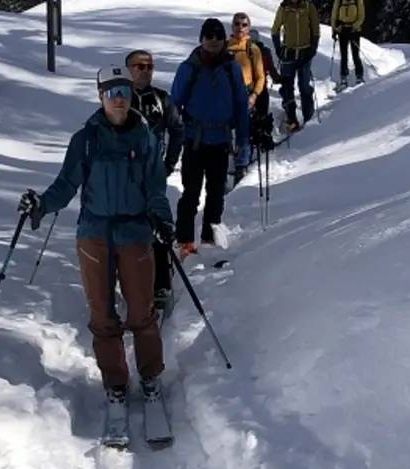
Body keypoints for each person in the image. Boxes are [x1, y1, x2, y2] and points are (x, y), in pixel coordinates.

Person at [18, 65, 176, 414]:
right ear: (100, 95)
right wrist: (40, 205)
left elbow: (155, 189)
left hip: (135, 232)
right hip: (94, 236)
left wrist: (162, 219)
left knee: (142, 311)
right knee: (102, 314)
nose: (119, 99)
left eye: (123, 92)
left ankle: (150, 376)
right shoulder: (85, 140)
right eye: (111, 92)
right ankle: (115, 383)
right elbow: (65, 185)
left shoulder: (146, 139)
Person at [168, 17, 251, 258]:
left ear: (224, 39)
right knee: (191, 192)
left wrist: (243, 140)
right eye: (208, 36)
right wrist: (173, 136)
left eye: (217, 36)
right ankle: (184, 240)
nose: (213, 41)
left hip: (221, 140)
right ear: (201, 39)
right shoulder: (189, 68)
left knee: (216, 192)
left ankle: (209, 236)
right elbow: (174, 104)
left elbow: (240, 105)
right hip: (194, 139)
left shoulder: (231, 68)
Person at [126, 49, 184, 312]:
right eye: (139, 66)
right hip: (123, 176)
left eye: (149, 66)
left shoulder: (161, 98)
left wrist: (170, 162)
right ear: (129, 69)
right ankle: (128, 282)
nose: (144, 70)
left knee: (159, 224)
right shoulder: (120, 96)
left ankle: (161, 284)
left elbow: (178, 128)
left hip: (153, 174)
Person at [270, 0, 320, 132]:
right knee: (287, 87)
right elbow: (275, 29)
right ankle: (292, 119)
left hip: (305, 54)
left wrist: (313, 48)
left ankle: (308, 118)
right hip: (289, 53)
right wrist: (278, 49)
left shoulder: (309, 7)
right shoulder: (284, 8)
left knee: (304, 86)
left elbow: (315, 30)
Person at [248, 28, 281, 151]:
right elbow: (272, 71)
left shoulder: (242, 52)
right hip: (261, 89)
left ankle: (249, 144)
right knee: (263, 116)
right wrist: (280, 79)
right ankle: (265, 141)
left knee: (247, 118)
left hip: (246, 90)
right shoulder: (265, 52)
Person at [331, 0, 365, 90]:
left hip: (354, 30)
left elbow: (361, 16)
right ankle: (343, 77)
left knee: (355, 54)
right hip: (342, 30)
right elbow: (334, 15)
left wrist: (354, 27)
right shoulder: (339, 1)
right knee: (344, 55)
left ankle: (359, 76)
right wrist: (334, 30)